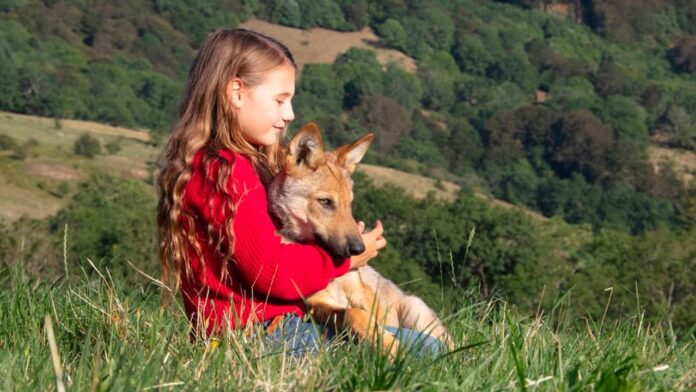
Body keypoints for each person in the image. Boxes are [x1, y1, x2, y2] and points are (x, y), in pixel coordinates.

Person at [156, 28, 442, 357]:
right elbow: (269, 273)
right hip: (257, 337)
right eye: (280, 100)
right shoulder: (225, 172)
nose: (289, 114)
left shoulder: (236, 166)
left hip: (264, 331)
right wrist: (342, 261)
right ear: (236, 91)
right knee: (428, 351)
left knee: (410, 342)